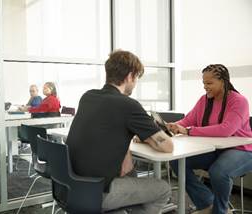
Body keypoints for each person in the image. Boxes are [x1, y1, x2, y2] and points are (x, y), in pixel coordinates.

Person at [66, 50, 173, 213]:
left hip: (72, 186)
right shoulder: (128, 105)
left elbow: (106, 131)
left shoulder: (88, 97)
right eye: (136, 78)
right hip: (98, 192)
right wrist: (148, 137)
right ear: (130, 76)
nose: (135, 83)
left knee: (130, 172)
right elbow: (168, 146)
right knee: (163, 189)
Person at [167, 64, 252, 214]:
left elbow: (227, 129)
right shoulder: (204, 100)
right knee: (177, 161)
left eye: (209, 83)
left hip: (242, 150)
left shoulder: (239, 101)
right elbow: (188, 120)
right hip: (216, 149)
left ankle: (220, 210)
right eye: (204, 83)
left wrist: (188, 131)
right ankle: (207, 203)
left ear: (223, 82)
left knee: (218, 172)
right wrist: (174, 126)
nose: (205, 87)